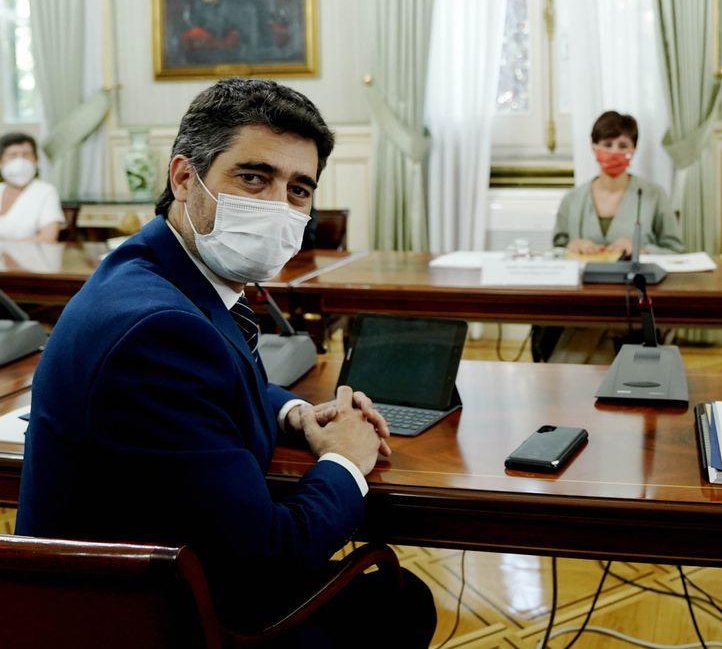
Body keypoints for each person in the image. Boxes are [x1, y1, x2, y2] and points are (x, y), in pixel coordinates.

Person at [16, 78, 435, 645]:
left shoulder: (153, 273)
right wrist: (347, 462)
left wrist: (297, 414)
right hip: (149, 622)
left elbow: (211, 378)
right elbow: (269, 556)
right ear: (185, 177)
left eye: (299, 190)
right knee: (398, 602)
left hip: (126, 586)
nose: (277, 206)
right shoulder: (160, 332)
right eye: (254, 177)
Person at [552, 110, 683, 257]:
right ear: (593, 147)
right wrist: (572, 246)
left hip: (637, 279)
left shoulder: (654, 195)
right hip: (585, 279)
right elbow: (557, 251)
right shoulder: (572, 199)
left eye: (623, 146)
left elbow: (675, 250)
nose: (614, 152)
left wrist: (641, 251)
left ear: (633, 149)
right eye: (607, 144)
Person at [0, 132, 65, 243]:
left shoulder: (46, 192)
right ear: (1, 161)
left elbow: (48, 238)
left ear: (36, 159)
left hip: (30, 258)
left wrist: (5, 249)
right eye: (13, 155)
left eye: (26, 155)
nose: (20, 161)